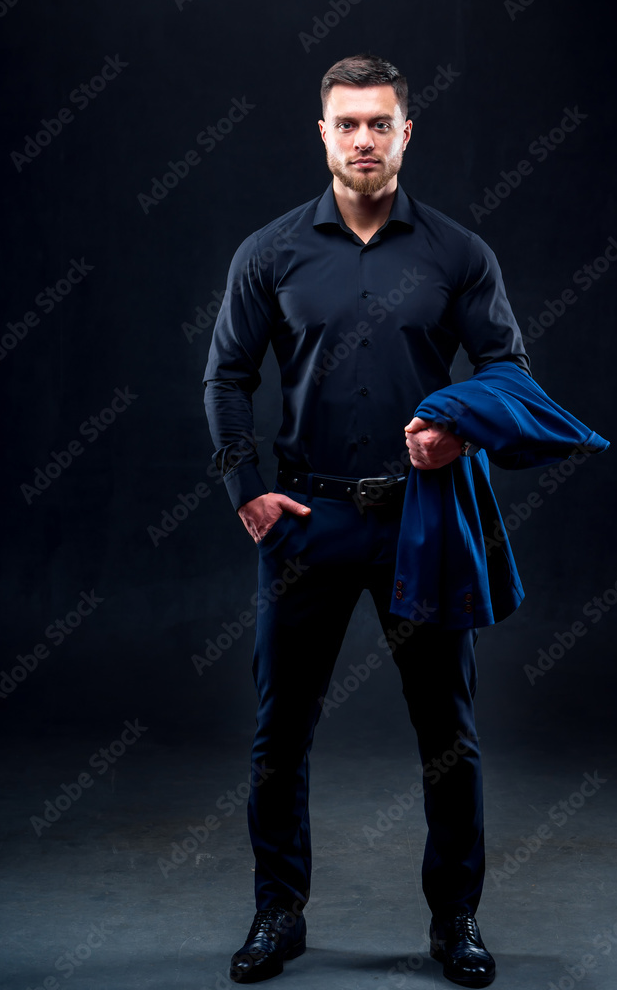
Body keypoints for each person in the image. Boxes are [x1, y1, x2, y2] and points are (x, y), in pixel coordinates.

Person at [203, 53, 538, 988]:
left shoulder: (457, 253)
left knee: (448, 733)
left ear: (404, 132)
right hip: (305, 519)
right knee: (281, 732)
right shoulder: (269, 253)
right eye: (345, 123)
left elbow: (506, 368)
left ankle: (456, 923)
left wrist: (459, 436)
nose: (362, 139)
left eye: (378, 123)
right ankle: (278, 914)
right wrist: (245, 487)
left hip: (419, 520)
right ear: (322, 133)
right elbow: (226, 376)